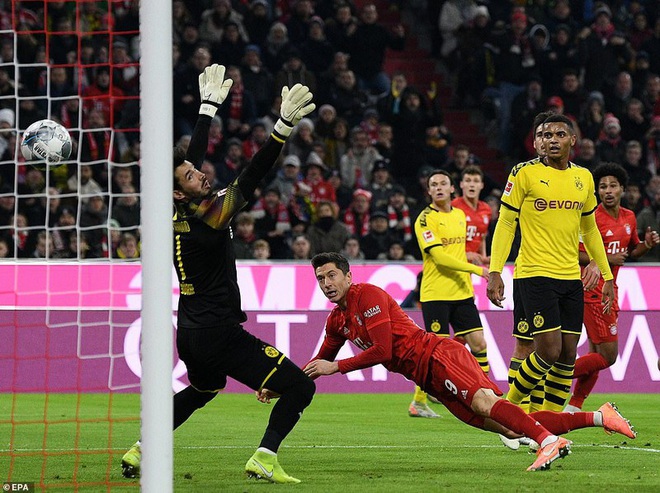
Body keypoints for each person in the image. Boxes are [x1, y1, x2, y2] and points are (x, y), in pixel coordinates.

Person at [120, 65, 316, 484]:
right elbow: (253, 174)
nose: (200, 172)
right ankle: (265, 455)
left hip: (190, 330)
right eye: (191, 176)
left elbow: (189, 160)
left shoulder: (172, 211)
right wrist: (281, 128)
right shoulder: (210, 215)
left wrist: (207, 109)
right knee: (300, 387)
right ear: (180, 191)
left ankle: (142, 448)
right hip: (219, 331)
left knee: (204, 388)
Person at [289, 253, 636, 472]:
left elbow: (383, 351)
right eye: (320, 278)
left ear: (348, 276)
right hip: (428, 378)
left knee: (488, 403)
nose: (326, 283)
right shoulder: (337, 321)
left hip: (438, 356)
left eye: (332, 275)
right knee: (510, 425)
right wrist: (282, 384)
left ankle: (548, 443)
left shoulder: (368, 295)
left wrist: (338, 367)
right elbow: (319, 361)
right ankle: (598, 416)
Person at [487, 114, 614, 418]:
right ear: (536, 142)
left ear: (573, 140)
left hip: (571, 277)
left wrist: (606, 273)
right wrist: (495, 270)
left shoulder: (583, 177)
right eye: (544, 135)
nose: (551, 140)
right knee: (546, 350)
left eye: (559, 134)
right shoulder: (524, 173)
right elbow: (506, 223)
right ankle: (507, 409)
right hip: (535, 274)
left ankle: (549, 423)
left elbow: (590, 229)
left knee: (568, 356)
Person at [566, 163, 660, 412]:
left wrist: (647, 246)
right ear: (597, 191)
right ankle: (553, 375)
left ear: (622, 189)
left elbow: (631, 252)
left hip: (610, 289)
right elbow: (576, 254)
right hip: (591, 289)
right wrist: (607, 259)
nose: (608, 191)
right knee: (608, 356)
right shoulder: (592, 218)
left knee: (595, 355)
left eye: (613, 186)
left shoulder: (629, 217)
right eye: (603, 186)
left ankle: (574, 407)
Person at [408, 169, 490, 419]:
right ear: (429, 191)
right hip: (436, 294)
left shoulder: (459, 215)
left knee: (479, 343)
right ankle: (418, 402)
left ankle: (488, 393)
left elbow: (460, 250)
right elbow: (441, 258)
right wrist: (477, 269)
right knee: (435, 353)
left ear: (452, 189)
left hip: (462, 291)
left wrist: (477, 261)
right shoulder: (424, 220)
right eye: (434, 185)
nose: (440, 187)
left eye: (444, 183)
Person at [451, 165, 491, 266]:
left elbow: (482, 238)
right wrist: (464, 254)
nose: (471, 185)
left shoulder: (486, 209)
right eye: (468, 181)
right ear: (461, 184)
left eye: (476, 181)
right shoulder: (453, 207)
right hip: (454, 263)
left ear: (481, 185)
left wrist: (484, 260)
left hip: (471, 267)